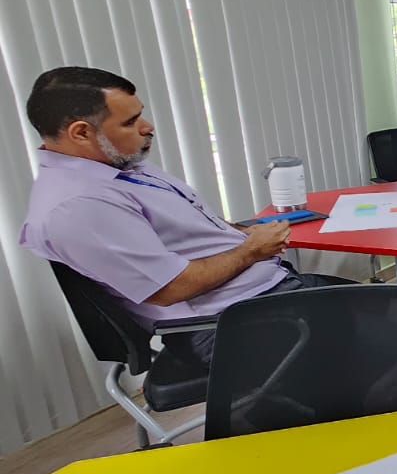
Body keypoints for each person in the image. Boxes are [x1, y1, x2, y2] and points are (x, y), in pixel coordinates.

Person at [18, 67, 350, 367]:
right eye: (130, 122)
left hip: (263, 293)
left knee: (378, 304)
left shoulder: (118, 164)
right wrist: (252, 250)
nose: (147, 127)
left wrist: (242, 233)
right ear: (80, 133)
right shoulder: (78, 206)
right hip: (226, 326)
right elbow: (170, 288)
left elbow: (190, 224)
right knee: (377, 336)